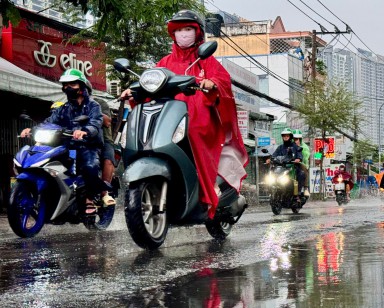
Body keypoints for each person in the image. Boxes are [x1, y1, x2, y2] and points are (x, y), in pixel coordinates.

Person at [120, 10, 247, 218]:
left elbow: (222, 81)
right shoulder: (165, 62)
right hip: (168, 114)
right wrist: (133, 91)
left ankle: (208, 192)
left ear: (197, 33)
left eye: (188, 29)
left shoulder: (205, 60)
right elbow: (150, 81)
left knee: (194, 133)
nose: (183, 33)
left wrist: (211, 83)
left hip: (198, 116)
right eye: (178, 30)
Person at [20, 68, 105, 214]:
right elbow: (49, 122)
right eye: (65, 85)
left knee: (90, 167)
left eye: (71, 84)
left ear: (81, 86)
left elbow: (96, 123)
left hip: (88, 146)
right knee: (51, 165)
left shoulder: (93, 105)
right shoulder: (63, 108)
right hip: (69, 147)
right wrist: (32, 130)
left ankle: (90, 199)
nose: (67, 87)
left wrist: (85, 131)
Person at [267, 128, 305, 195]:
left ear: (290, 137)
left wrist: (298, 159)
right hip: (281, 168)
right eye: (284, 136)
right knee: (271, 175)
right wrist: (270, 159)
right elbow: (274, 155)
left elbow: (300, 154)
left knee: (301, 173)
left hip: (292, 167)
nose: (285, 137)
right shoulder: (280, 147)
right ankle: (271, 191)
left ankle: (298, 192)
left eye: (287, 136)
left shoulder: (295, 146)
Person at [94, 97, 117, 206]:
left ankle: (104, 193)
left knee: (107, 160)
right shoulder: (69, 104)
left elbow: (107, 121)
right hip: (79, 140)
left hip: (103, 140)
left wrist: (89, 112)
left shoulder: (99, 102)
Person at [292, 129, 310, 195]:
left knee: (304, 171)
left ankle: (305, 188)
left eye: (298, 139)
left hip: (300, 164)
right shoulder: (288, 145)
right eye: (295, 139)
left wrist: (299, 159)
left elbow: (305, 157)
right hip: (289, 164)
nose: (296, 140)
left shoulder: (304, 147)